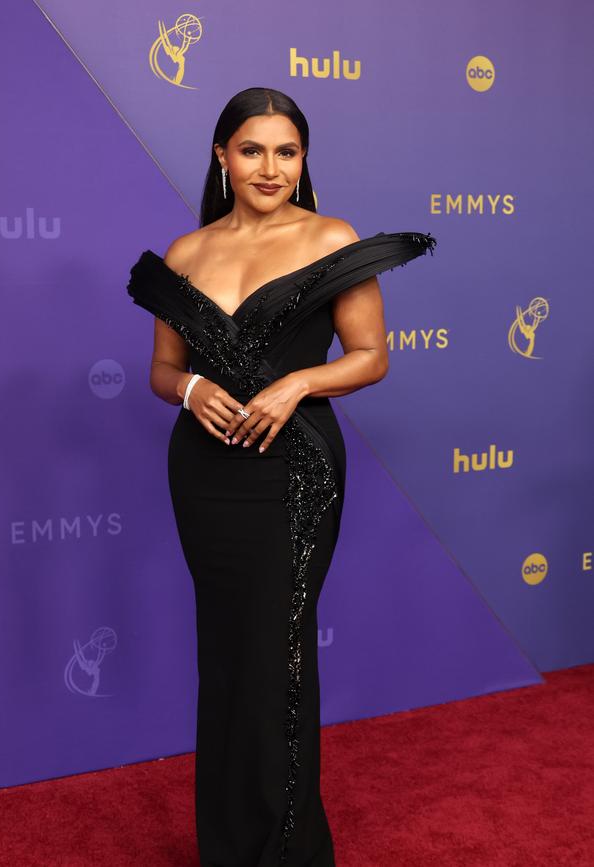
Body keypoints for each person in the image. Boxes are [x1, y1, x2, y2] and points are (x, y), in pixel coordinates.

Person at [126, 86, 436, 867]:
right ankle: (229, 845)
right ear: (221, 156)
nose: (271, 167)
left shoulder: (330, 237)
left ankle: (287, 851)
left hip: (293, 470)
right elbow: (164, 371)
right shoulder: (185, 253)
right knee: (226, 651)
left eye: (287, 152)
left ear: (303, 161)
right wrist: (192, 388)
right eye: (253, 150)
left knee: (277, 651)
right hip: (203, 472)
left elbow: (372, 356)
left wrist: (298, 381)